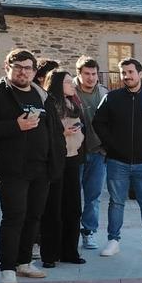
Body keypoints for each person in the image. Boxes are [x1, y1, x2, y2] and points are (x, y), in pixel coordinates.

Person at [0, 49, 64, 283]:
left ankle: (24, 262)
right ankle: (7, 269)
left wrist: (57, 160)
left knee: (34, 217)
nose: (23, 72)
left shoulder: (41, 95)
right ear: (7, 67)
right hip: (13, 168)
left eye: (27, 68)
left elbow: (54, 131)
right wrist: (16, 125)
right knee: (14, 217)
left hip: (41, 168)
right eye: (18, 67)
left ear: (34, 71)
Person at [91, 58, 142, 257]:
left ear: (140, 74)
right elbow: (98, 122)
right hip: (118, 161)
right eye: (123, 72)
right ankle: (113, 240)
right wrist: (111, 145)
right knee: (116, 202)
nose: (126, 76)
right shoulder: (112, 98)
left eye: (130, 72)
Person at [38, 71, 91, 267]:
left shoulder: (73, 103)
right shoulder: (48, 104)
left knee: (73, 208)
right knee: (53, 209)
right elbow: (44, 131)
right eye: (68, 82)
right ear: (58, 84)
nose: (73, 85)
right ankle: (50, 255)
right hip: (55, 161)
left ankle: (70, 251)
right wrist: (63, 132)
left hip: (73, 159)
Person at [73, 56, 107, 250]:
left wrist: (107, 148)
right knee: (72, 196)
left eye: (94, 74)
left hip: (97, 153)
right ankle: (70, 232)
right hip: (74, 154)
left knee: (93, 197)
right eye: (87, 74)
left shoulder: (104, 92)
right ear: (79, 74)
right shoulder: (70, 92)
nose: (91, 78)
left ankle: (89, 232)